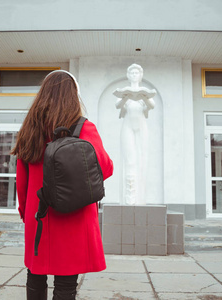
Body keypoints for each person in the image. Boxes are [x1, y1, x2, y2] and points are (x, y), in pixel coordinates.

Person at [12, 70, 114, 300]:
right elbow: (105, 169)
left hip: (39, 214)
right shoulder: (83, 128)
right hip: (74, 215)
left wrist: (25, 211)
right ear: (73, 96)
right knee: (66, 283)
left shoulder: (29, 129)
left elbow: (22, 179)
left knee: (35, 274)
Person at [114, 64, 155, 205]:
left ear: (140, 75)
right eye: (131, 72)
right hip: (127, 126)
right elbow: (118, 105)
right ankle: (128, 196)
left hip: (141, 126)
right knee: (129, 160)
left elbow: (151, 106)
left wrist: (143, 96)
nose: (134, 75)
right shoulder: (124, 92)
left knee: (142, 159)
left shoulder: (145, 92)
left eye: (137, 72)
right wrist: (126, 96)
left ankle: (141, 198)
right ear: (128, 75)